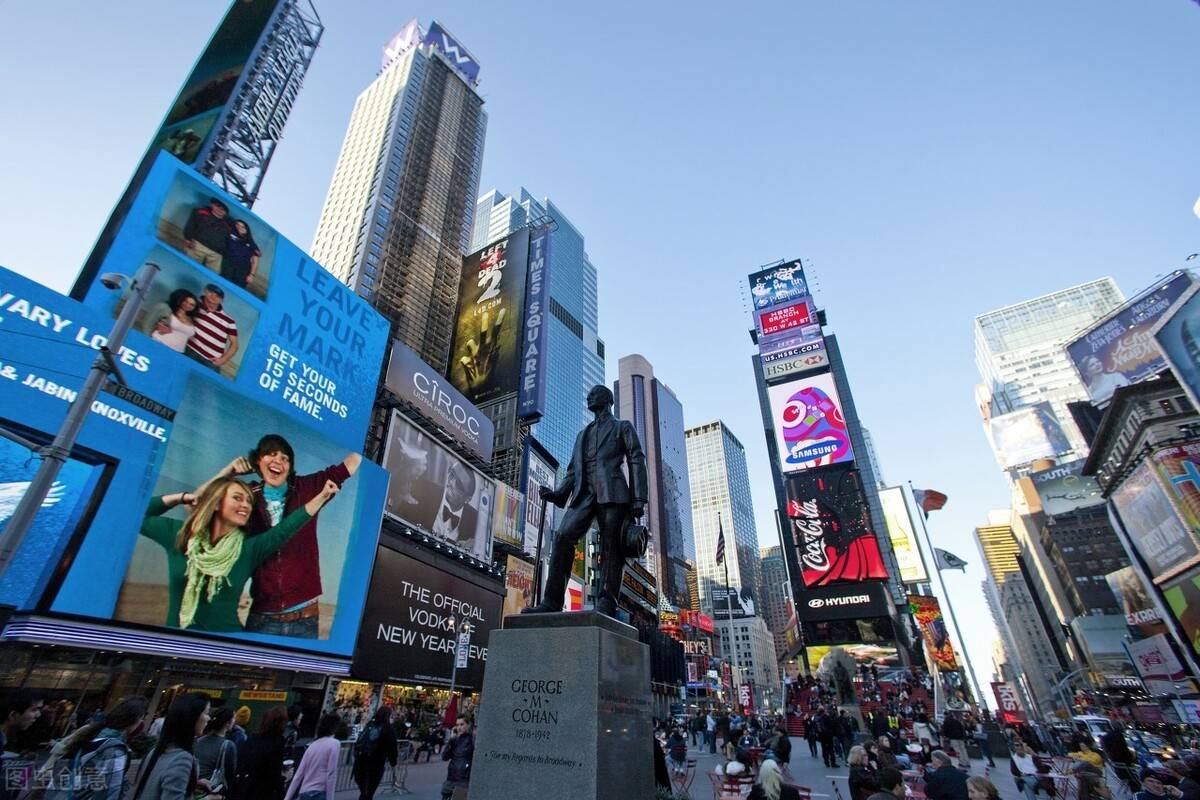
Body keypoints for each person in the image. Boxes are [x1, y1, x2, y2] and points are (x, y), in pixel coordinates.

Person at [139, 471, 341, 631]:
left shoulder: (248, 549)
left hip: (226, 650)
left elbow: (285, 529)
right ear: (216, 503)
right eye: (237, 498)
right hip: (173, 645)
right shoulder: (180, 535)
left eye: (249, 501)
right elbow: (137, 513)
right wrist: (181, 497)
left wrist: (322, 496)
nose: (245, 505)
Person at [524, 385, 648, 617]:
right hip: (584, 494)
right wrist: (559, 494)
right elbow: (573, 470)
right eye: (589, 394)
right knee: (563, 536)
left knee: (612, 547)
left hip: (613, 493)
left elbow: (636, 459)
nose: (589, 396)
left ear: (608, 399)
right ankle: (551, 601)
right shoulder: (583, 434)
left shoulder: (622, 427)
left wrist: (638, 498)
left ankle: (607, 602)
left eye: (595, 393)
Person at [244, 436, 362, 639]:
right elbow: (208, 505)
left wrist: (364, 435)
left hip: (305, 619)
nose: (278, 461)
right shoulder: (247, 496)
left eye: (285, 458)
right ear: (258, 460)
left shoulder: (305, 488)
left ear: (290, 468)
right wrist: (230, 471)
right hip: (262, 619)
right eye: (271, 454)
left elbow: (346, 468)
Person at [35, 695, 147, 799]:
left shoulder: (93, 732)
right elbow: (110, 792)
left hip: (59, 792)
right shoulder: (114, 748)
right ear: (135, 718)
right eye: (142, 718)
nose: (142, 722)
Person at [131, 692, 211, 800]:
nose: (209, 718)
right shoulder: (182, 759)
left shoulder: (155, 751)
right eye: (207, 713)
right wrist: (209, 799)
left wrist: (189, 783)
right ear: (192, 716)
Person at [233, 705, 288, 800]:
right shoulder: (277, 744)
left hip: (245, 790)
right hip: (264, 792)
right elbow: (274, 776)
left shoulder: (252, 739)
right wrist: (284, 778)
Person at [283, 712, 340, 800]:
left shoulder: (312, 746)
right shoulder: (334, 744)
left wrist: (287, 797)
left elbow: (299, 774)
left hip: (305, 792)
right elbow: (331, 774)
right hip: (320, 792)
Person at [185, 284, 239, 372]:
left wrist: (223, 360)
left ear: (221, 300)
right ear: (205, 292)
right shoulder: (194, 306)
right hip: (189, 351)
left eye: (217, 296)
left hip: (211, 361)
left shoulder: (229, 321)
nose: (213, 297)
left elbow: (235, 345)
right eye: (211, 292)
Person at [353, 706, 398, 800]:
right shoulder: (388, 729)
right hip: (376, 763)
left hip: (361, 761)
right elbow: (392, 747)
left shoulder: (370, 724)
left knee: (364, 791)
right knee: (369, 791)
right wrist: (393, 762)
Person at [194, 706, 238, 791]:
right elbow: (230, 774)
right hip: (208, 789)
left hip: (192, 786)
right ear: (227, 723)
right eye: (233, 718)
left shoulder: (198, 741)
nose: (234, 721)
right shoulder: (228, 745)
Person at [144, 289, 198, 353]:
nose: (187, 305)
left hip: (177, 351)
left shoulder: (191, 319)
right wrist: (146, 341)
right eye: (186, 301)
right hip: (159, 343)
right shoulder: (167, 310)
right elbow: (149, 324)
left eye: (192, 304)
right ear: (180, 301)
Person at [183, 198, 231, 271]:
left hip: (216, 254)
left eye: (224, 209)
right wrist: (188, 238)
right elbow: (190, 225)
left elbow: (228, 240)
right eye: (218, 206)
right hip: (197, 246)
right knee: (188, 267)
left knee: (213, 273)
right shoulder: (200, 212)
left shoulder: (228, 225)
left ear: (226, 213)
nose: (220, 209)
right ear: (213, 205)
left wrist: (222, 253)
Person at [440, 716, 474, 800]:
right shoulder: (454, 740)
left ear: (468, 725)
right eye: (457, 725)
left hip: (463, 780)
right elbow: (444, 757)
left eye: (462, 724)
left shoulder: (472, 740)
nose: (459, 727)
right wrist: (451, 741)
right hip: (451, 778)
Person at [221, 220, 261, 289]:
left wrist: (251, 275)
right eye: (238, 225)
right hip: (227, 266)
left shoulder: (251, 243)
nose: (240, 228)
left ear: (247, 229)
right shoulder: (230, 234)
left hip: (242, 272)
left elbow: (255, 260)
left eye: (243, 227)